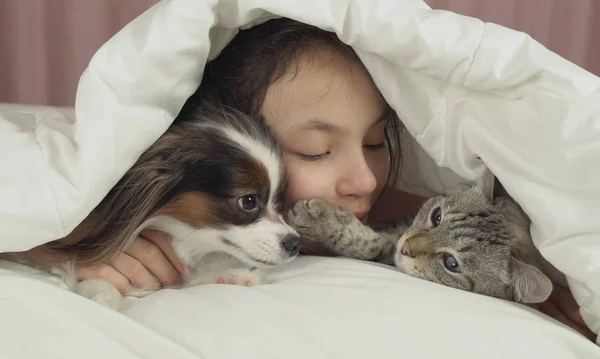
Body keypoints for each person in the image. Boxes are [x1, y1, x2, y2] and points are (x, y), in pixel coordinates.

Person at [17, 18, 594, 340]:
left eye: (376, 141)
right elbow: (35, 192)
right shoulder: (192, 170)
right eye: (315, 150)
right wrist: (58, 237)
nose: (364, 178)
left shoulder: (389, 201)